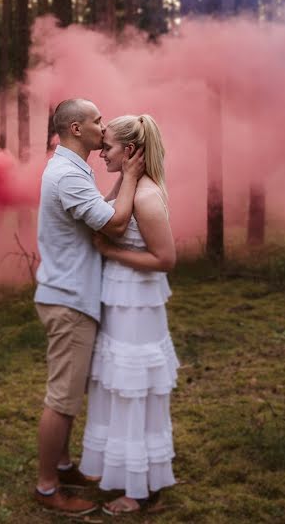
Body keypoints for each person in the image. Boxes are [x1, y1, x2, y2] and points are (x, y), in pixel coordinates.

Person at [33, 98, 146, 515]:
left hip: (68, 296)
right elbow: (115, 224)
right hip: (69, 301)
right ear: (77, 129)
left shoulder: (73, 169)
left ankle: (62, 467)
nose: (103, 126)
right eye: (98, 120)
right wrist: (132, 175)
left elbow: (102, 209)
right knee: (62, 398)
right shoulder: (67, 175)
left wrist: (120, 185)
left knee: (70, 390)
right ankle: (47, 489)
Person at [80, 114, 179, 516]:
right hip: (121, 302)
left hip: (138, 307)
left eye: (108, 148)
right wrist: (126, 177)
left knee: (134, 392)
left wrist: (110, 253)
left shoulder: (146, 197)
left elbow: (165, 259)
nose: (102, 154)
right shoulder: (131, 187)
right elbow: (107, 212)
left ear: (131, 151)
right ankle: (131, 475)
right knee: (119, 390)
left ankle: (140, 491)